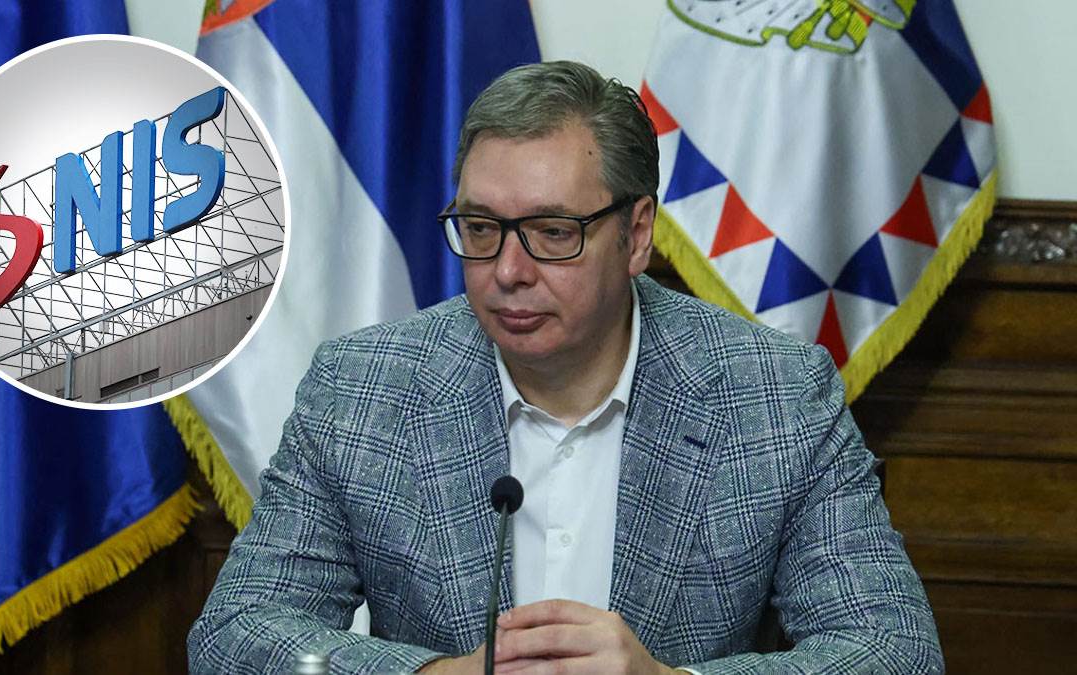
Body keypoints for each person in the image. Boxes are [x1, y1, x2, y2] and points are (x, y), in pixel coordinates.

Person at [188, 60, 942, 674]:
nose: (508, 270)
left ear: (636, 235)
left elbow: (895, 649)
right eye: (481, 227)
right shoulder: (362, 391)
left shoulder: (775, 396)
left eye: (553, 232)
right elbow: (235, 633)